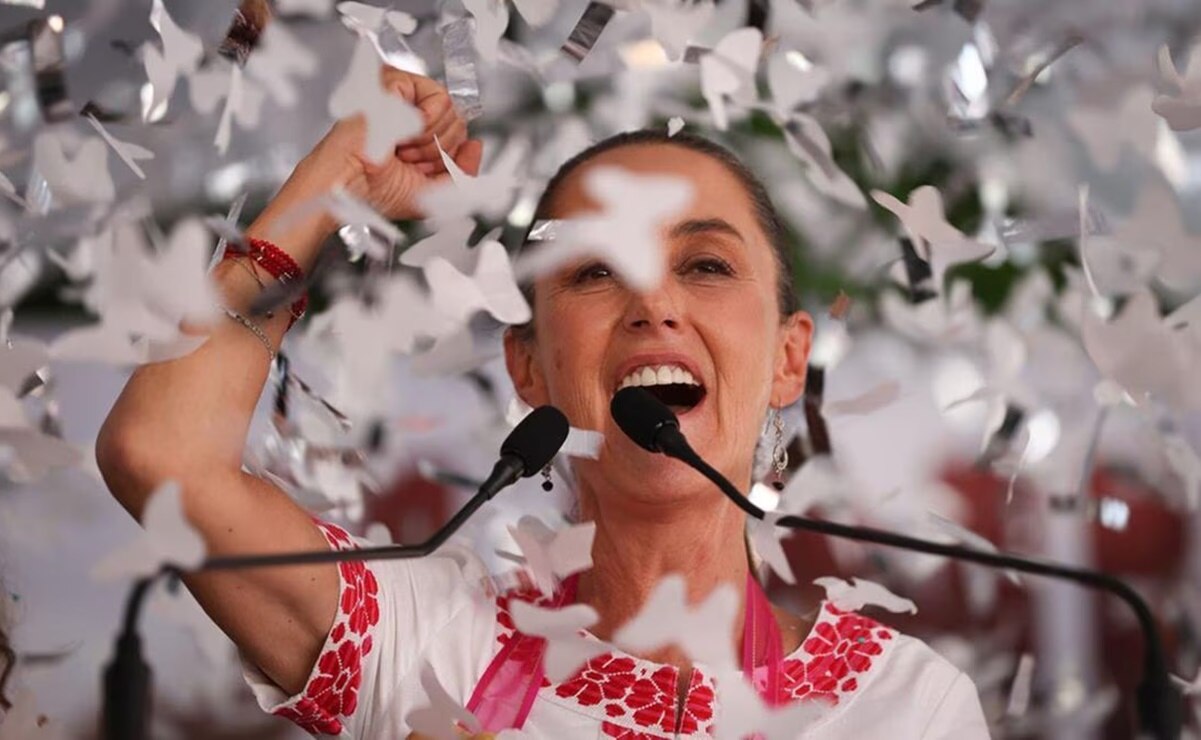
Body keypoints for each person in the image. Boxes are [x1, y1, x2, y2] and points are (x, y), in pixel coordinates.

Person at [96, 64, 990, 739]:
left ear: (789, 360)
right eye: (596, 270)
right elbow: (162, 457)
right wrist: (336, 187)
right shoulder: (426, 649)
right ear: (528, 366)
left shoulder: (909, 706)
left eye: (705, 264)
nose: (654, 304)